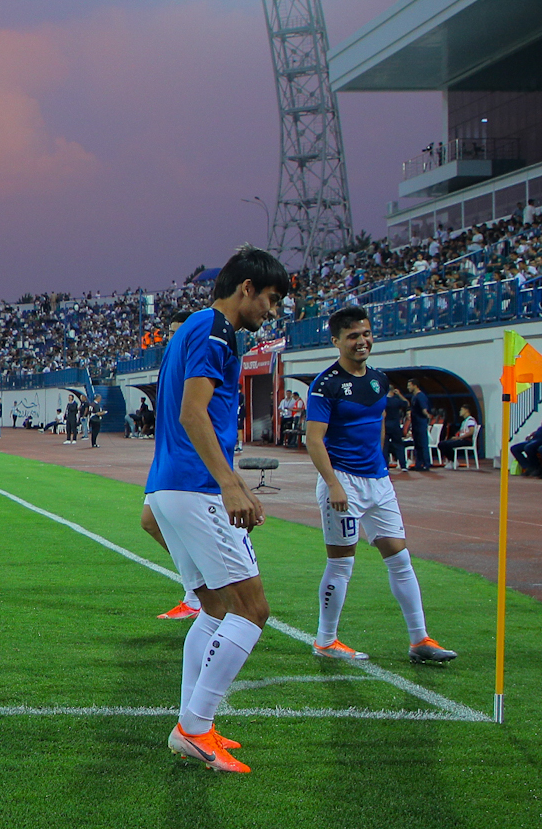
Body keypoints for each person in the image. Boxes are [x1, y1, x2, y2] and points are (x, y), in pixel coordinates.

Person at [147, 247, 289, 774]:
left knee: (213, 608)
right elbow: (192, 413)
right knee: (251, 610)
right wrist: (231, 483)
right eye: (271, 300)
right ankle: (194, 726)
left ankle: (196, 723)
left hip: (172, 488)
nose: (272, 312)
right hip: (199, 488)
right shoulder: (215, 331)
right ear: (246, 287)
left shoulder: (193, 330)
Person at [305, 307, 457, 665]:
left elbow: (379, 426)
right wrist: (333, 485)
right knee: (341, 564)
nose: (362, 341)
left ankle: (419, 640)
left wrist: (383, 469)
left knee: (400, 558)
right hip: (342, 481)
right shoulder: (325, 384)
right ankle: (325, 640)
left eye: (366, 334)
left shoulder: (379, 379)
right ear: (336, 341)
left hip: (379, 481)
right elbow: (314, 440)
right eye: (353, 336)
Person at [407, 378, 436, 470]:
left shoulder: (421, 396)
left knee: (423, 443)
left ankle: (426, 463)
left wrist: (427, 416)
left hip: (420, 422)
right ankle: (418, 464)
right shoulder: (414, 396)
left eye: (409, 385)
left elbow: (424, 409)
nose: (408, 387)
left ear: (414, 385)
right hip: (415, 422)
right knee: (417, 444)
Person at [384, 384, 410, 471]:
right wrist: (399, 394)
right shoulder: (396, 401)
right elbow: (407, 403)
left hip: (385, 426)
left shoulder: (383, 401)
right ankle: (403, 465)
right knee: (399, 445)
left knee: (385, 447)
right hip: (395, 426)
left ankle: (385, 465)